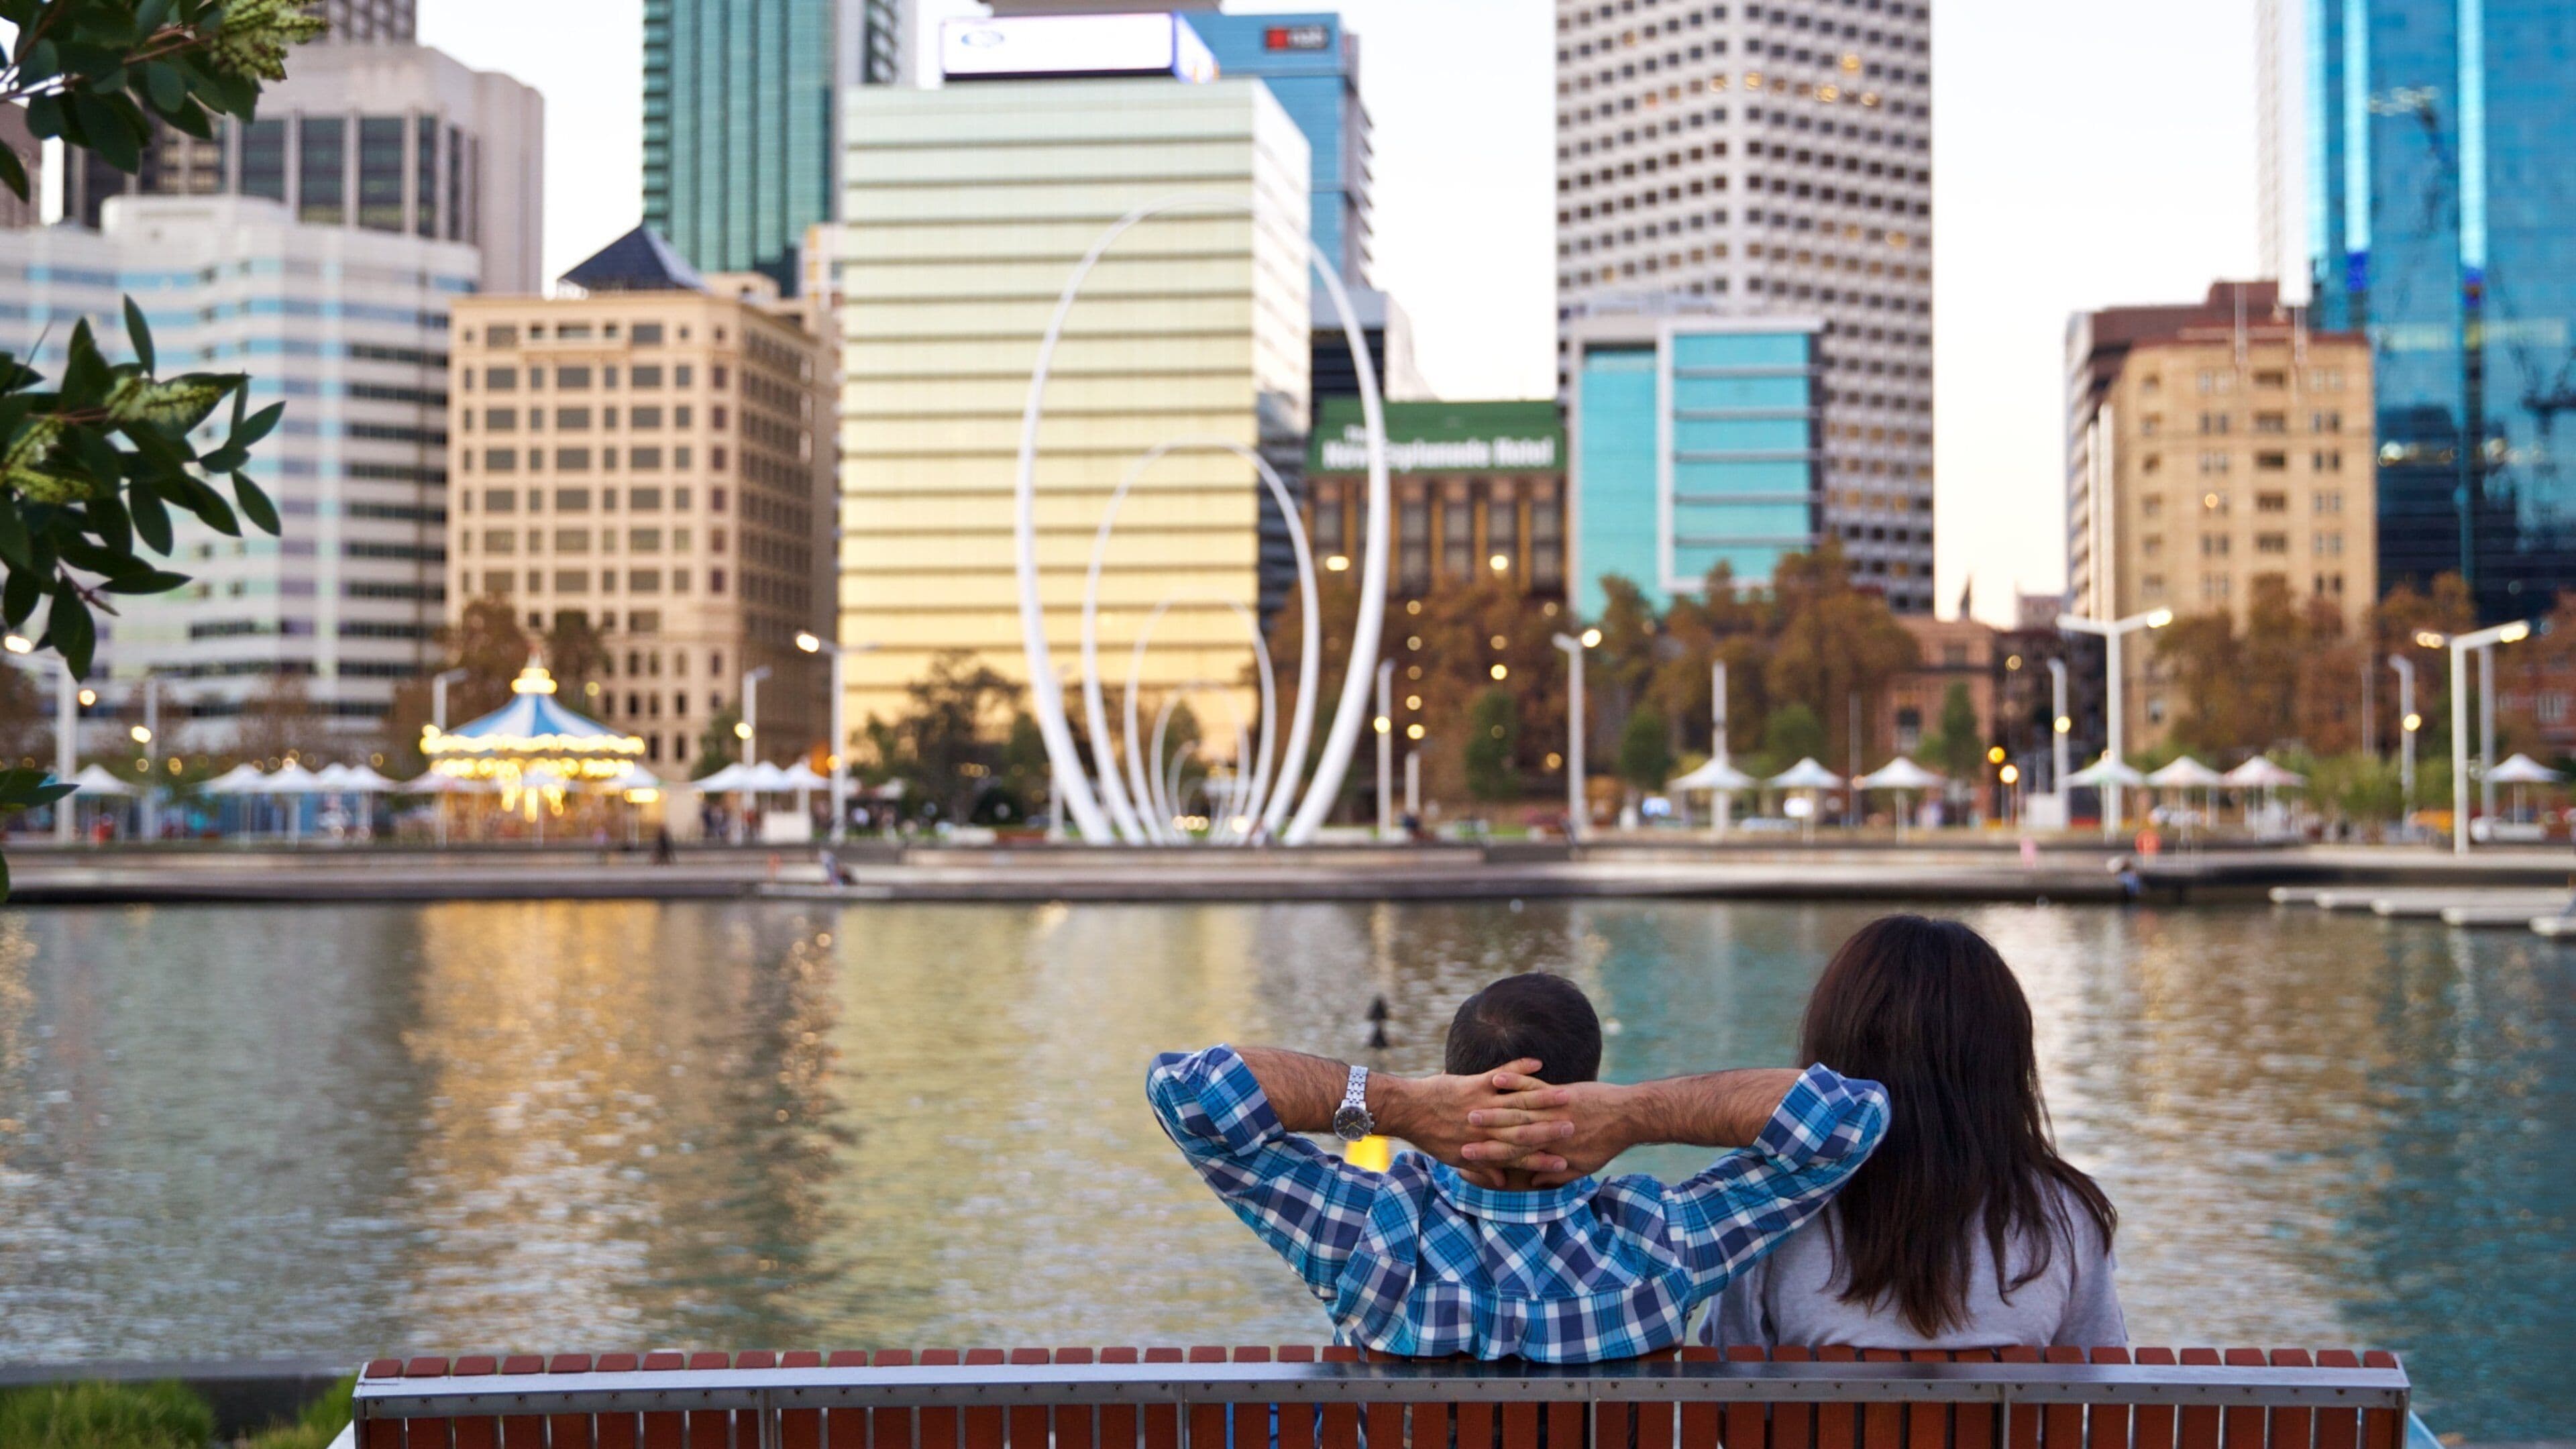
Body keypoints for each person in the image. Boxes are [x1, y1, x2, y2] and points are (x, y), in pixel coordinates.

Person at [1146, 972, 1888, 1362]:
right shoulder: (1664, 1247)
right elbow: (1849, 1118)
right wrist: (1638, 1113)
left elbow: (1187, 1092)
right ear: (1588, 1090)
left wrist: (1399, 1106)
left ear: (1454, 1083)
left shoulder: (1368, 1235)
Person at [1468, 916, 2124, 1351]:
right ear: (2005, 1062)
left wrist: (1382, 1104)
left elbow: (1729, 1401)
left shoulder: (1774, 1210)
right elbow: (2105, 1403)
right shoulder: (2063, 1219)